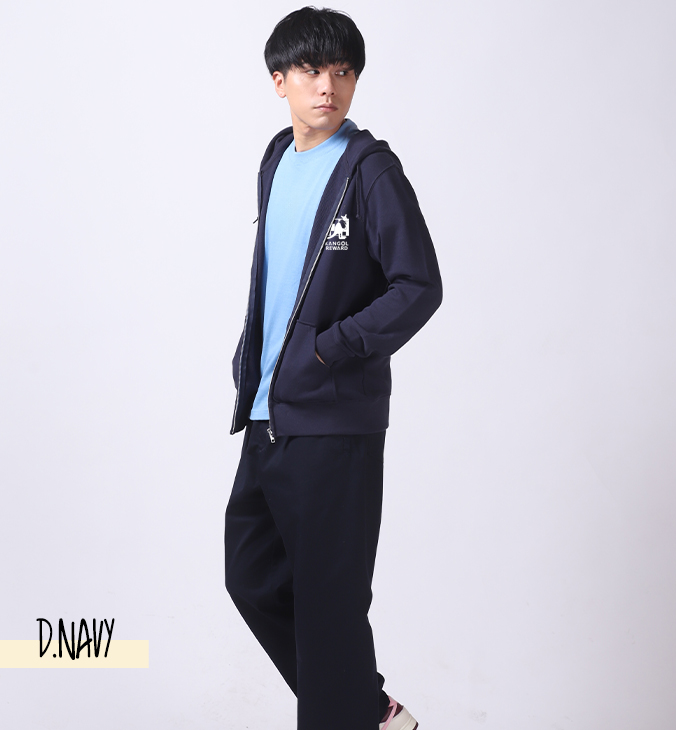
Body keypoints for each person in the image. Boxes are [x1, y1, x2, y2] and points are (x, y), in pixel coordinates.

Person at [224, 7, 442, 730]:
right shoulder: (276, 161)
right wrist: (251, 358)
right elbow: (277, 275)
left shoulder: (370, 171)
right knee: (250, 576)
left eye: (343, 72)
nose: (329, 86)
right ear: (279, 80)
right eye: (313, 70)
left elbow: (419, 286)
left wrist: (331, 347)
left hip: (335, 420)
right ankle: (365, 711)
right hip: (269, 411)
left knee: (328, 606)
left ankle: (346, 713)